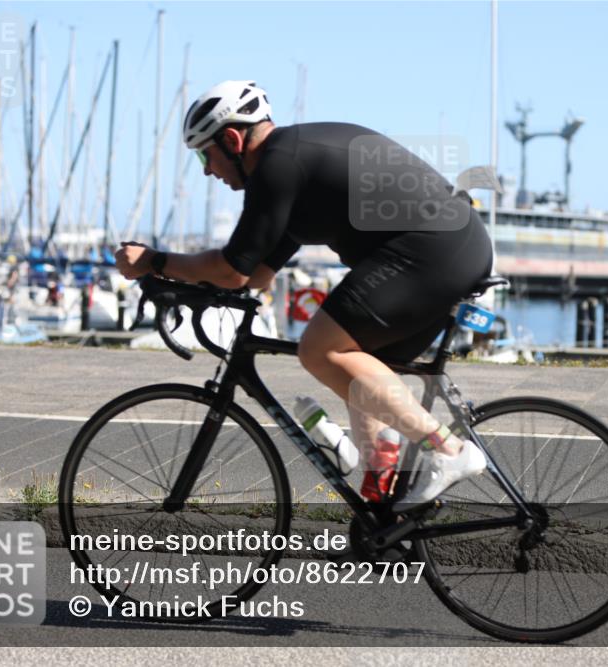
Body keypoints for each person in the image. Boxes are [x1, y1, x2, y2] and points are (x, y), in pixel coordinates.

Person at [115, 80, 493, 511]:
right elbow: (253, 274)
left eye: (205, 154)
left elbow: (231, 267)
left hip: (433, 249)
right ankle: (379, 482)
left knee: (318, 349)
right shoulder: (294, 164)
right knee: (360, 367)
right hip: (451, 245)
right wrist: (181, 287)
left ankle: (448, 450)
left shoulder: (278, 166)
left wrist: (155, 261)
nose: (206, 170)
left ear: (233, 140)